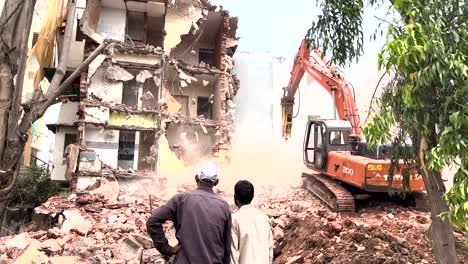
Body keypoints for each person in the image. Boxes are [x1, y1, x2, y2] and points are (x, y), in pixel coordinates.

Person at [146, 162, 232, 264]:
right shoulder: (224, 206)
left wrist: (166, 249)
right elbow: (227, 246)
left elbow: (153, 221)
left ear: (196, 178)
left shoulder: (180, 199)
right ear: (216, 182)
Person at [230, 180, 273, 264]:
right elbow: (270, 249)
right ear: (252, 196)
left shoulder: (234, 219)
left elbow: (233, 254)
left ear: (235, 197)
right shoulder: (264, 217)